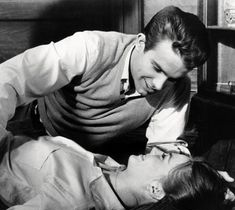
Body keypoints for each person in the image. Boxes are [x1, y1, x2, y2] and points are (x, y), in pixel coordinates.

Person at [1, 6, 210, 159]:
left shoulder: (177, 88)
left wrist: (203, 180)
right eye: (157, 68)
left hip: (103, 152)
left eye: (172, 78)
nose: (159, 85)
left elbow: (165, 150)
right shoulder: (90, 48)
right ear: (140, 43)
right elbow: (10, 79)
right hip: (39, 130)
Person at [0, 128, 233, 210]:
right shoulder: (114, 173)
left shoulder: (71, 206)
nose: (155, 152)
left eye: (163, 157)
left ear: (155, 189)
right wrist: (211, 185)